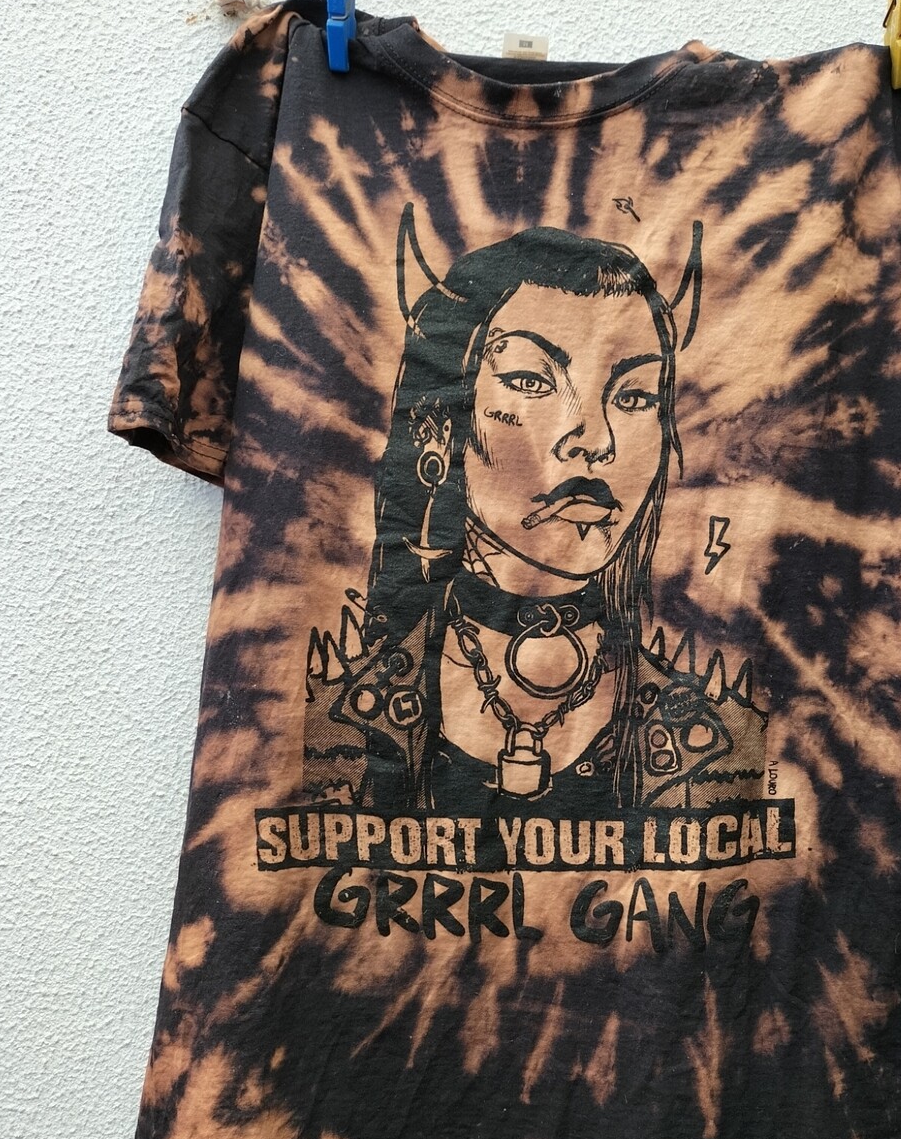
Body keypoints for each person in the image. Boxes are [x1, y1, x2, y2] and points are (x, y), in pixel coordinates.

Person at [303, 206, 766, 814]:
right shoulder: (339, 725)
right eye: (530, 382)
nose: (594, 440)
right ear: (441, 427)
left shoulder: (717, 747)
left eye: (634, 396)